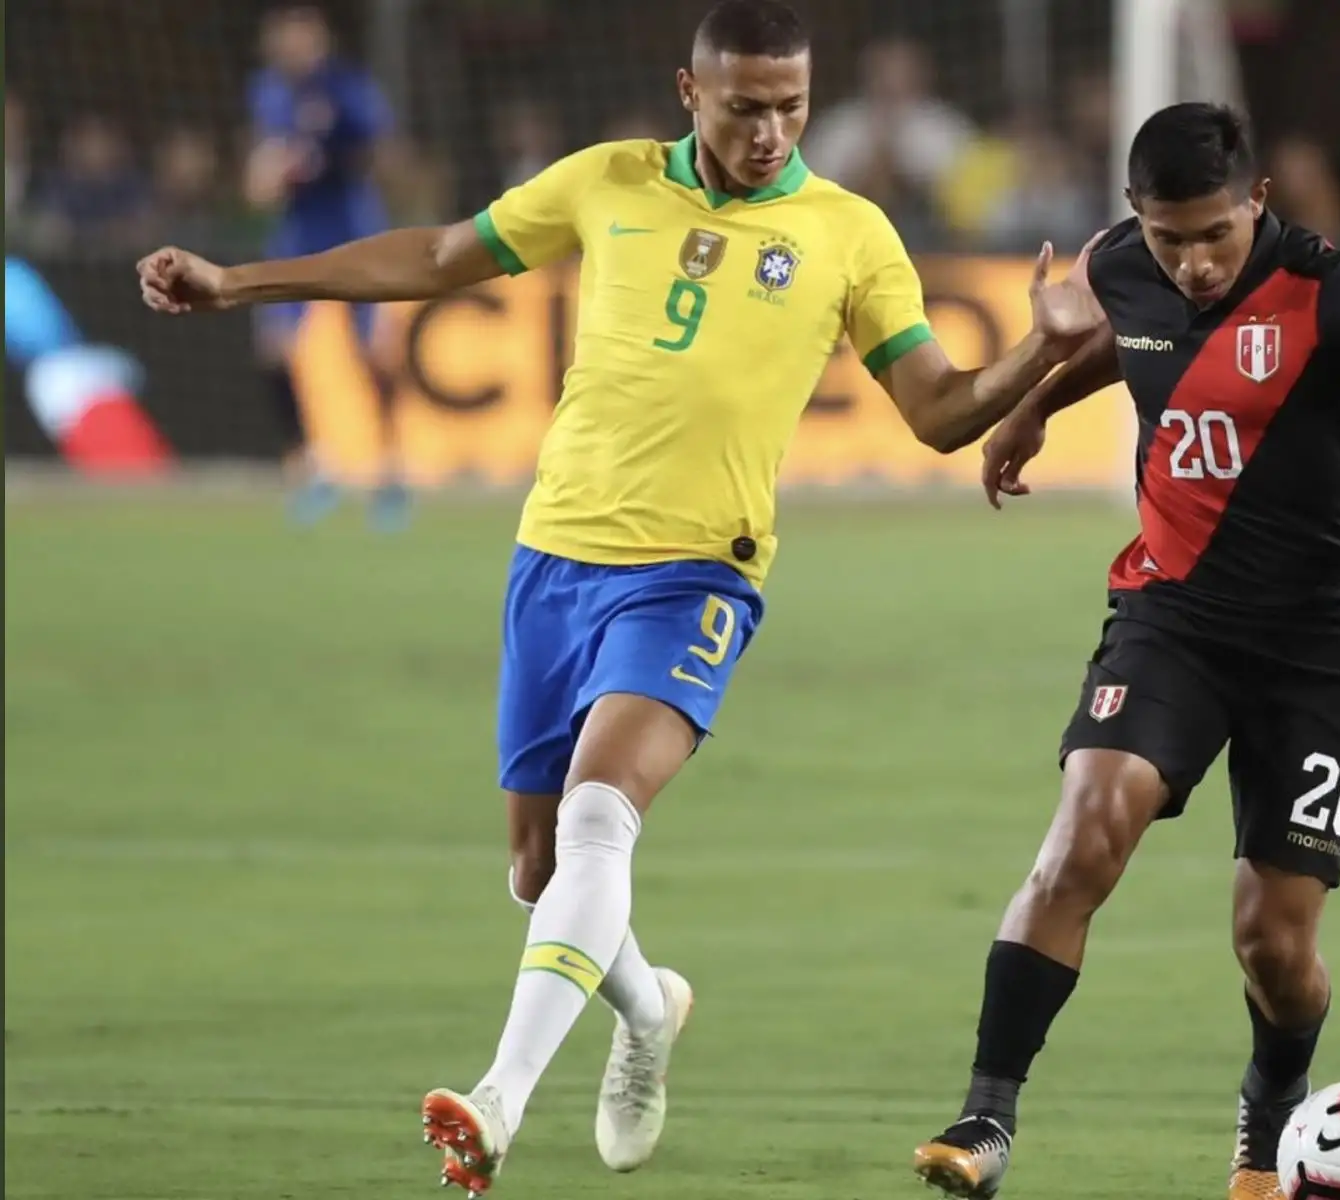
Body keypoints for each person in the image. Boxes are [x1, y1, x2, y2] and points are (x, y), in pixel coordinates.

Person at [135, 2, 1103, 1194]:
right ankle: (647, 1013)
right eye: (746, 106)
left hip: (700, 570)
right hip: (553, 559)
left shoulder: (850, 234)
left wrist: (1043, 352)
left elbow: (943, 410)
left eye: (791, 107)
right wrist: (240, 282)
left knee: (601, 819)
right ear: (689, 92)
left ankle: (496, 1102)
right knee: (539, 875)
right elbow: (441, 257)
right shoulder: (607, 182)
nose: (770, 131)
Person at [910, 102, 1340, 1200]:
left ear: (1260, 205)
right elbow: (1132, 340)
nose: (1192, 264)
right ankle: (985, 1119)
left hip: (1322, 648)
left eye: (1216, 238)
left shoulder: (1331, 289)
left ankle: (1267, 1136)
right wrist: (1038, 399)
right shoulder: (1119, 264)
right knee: (1084, 835)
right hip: (1173, 617)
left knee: (1274, 947)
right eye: (1167, 237)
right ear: (1135, 217)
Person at [245, 3, 409, 529]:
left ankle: (388, 469)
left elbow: (382, 153)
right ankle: (308, 465)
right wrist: (268, 173)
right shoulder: (268, 91)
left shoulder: (349, 89)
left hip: (352, 227)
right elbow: (262, 173)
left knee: (371, 351)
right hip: (298, 234)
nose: (290, 45)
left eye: (300, 34)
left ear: (318, 38)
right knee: (273, 351)